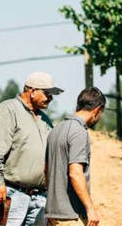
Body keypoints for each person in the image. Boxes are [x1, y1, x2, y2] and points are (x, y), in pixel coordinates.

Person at [0, 71, 63, 225]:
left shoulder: (44, 119)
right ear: (32, 91)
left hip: (40, 197)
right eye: (47, 93)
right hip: (14, 195)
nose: (51, 98)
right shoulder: (7, 111)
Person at [45, 87, 106, 226]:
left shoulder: (56, 129)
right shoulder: (79, 132)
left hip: (53, 212)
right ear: (97, 110)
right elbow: (75, 173)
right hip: (71, 215)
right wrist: (90, 209)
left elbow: (46, 170)